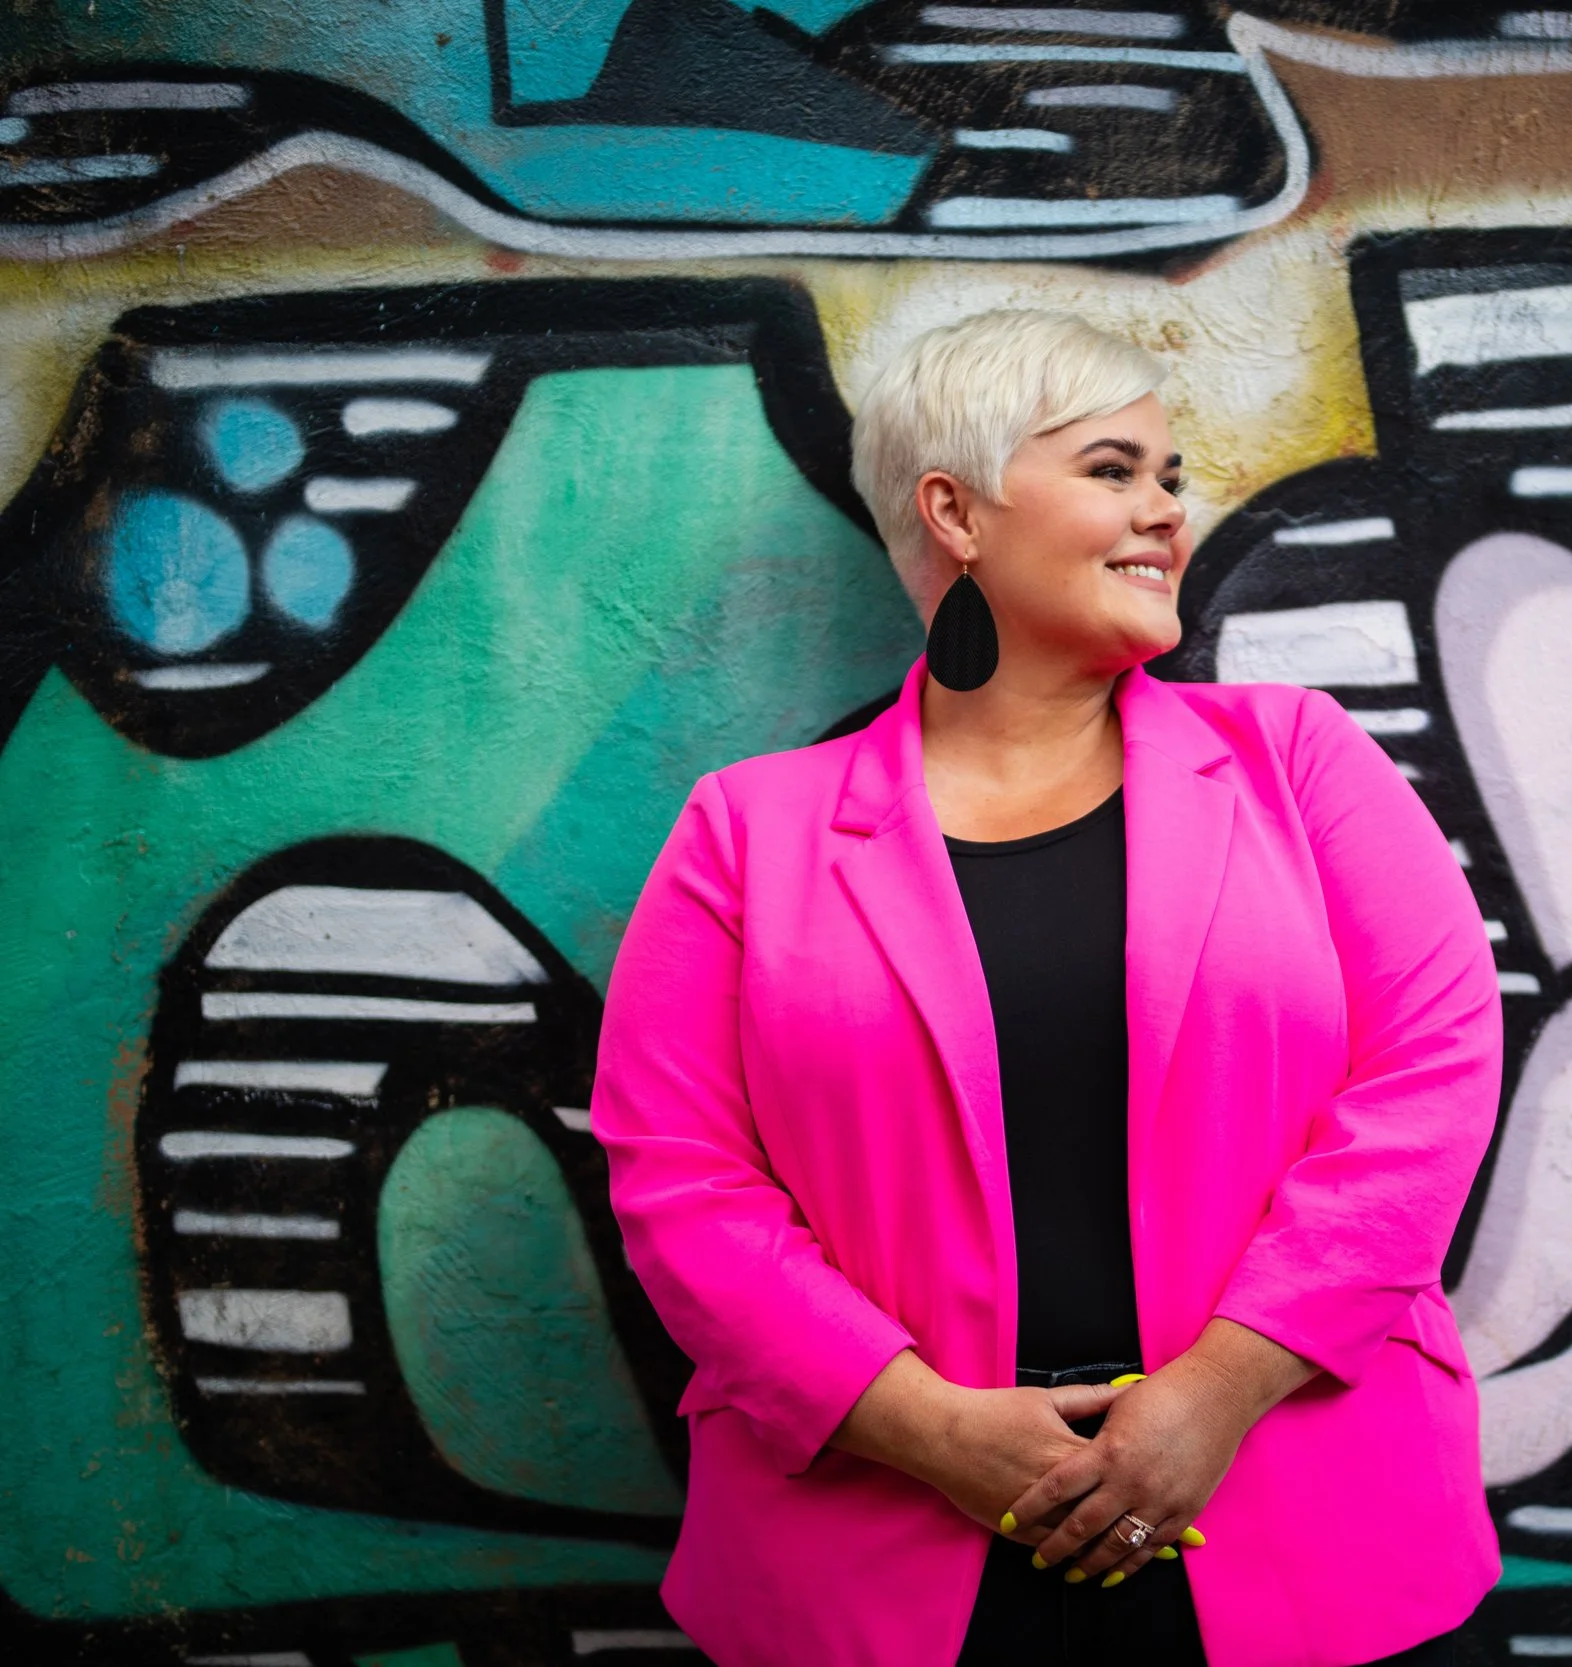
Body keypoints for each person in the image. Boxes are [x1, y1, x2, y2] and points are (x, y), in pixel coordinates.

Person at [591, 309, 1502, 1666]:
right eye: (1115, 470)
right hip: (882, 1554)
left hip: (1299, 1516)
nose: (1166, 516)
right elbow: (681, 1177)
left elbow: (1432, 1076)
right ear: (955, 509)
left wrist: (1220, 1389)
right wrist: (924, 1427)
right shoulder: (747, 833)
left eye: (1172, 479)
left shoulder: (1299, 761)